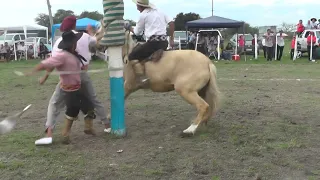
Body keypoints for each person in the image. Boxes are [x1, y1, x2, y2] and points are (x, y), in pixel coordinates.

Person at [34, 16, 109, 145]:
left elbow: (53, 63)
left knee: (55, 103)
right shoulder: (85, 37)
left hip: (67, 79)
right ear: (74, 26)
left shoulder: (58, 42)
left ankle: (50, 133)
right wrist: (91, 32)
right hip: (82, 74)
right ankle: (107, 125)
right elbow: (97, 44)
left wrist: (44, 77)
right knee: (93, 99)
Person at [26, 31, 96, 144]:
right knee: (72, 109)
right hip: (69, 89)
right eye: (75, 42)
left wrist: (82, 68)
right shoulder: (62, 56)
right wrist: (33, 71)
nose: (76, 44)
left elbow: (79, 67)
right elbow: (46, 64)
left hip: (74, 87)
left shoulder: (74, 55)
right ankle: (63, 134)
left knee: (86, 107)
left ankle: (84, 129)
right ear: (72, 44)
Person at [125, 0, 175, 82]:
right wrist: (172, 39)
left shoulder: (143, 15)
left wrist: (129, 27)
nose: (137, 8)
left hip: (153, 43)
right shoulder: (160, 11)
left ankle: (142, 78)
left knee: (131, 56)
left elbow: (137, 32)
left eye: (137, 6)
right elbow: (172, 23)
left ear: (141, 6)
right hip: (164, 43)